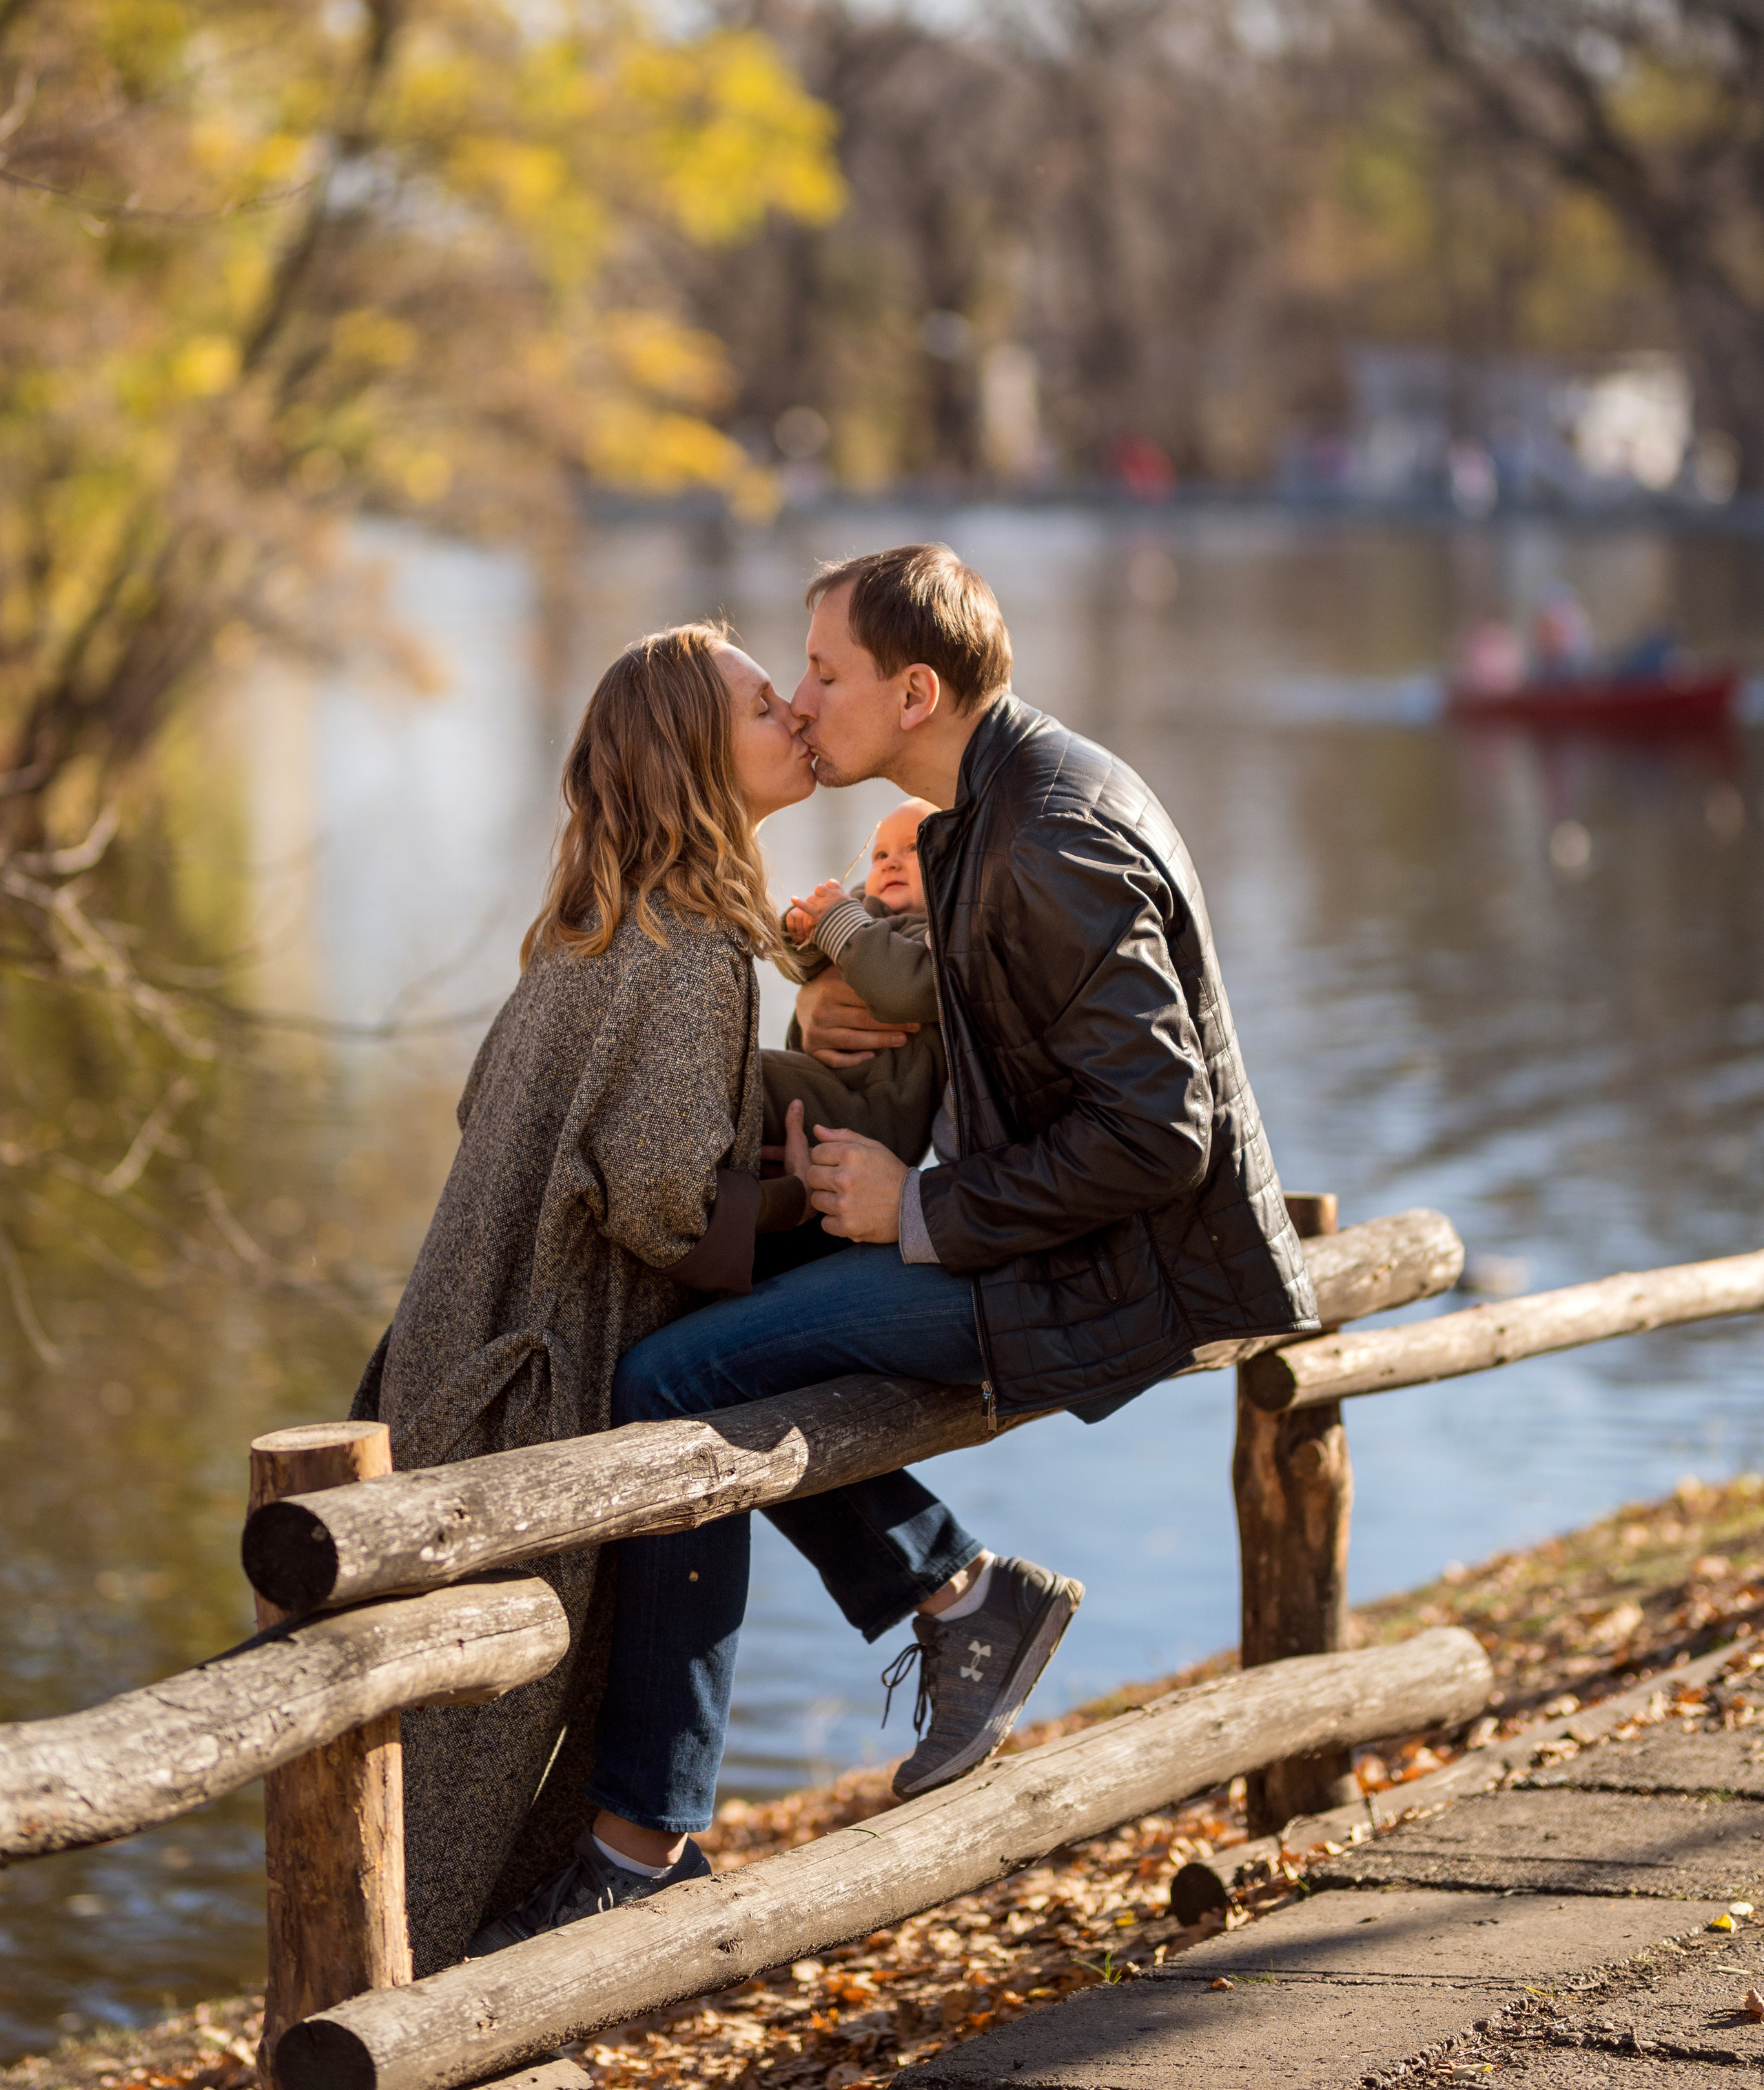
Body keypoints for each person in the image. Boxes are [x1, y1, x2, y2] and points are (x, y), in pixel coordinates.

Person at [486, 542, 1315, 1948]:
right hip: (1044, 1246)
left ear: (913, 688)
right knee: (708, 1330)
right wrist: (836, 1052)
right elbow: (1002, 1052)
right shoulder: (996, 809)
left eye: (822, 671)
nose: (803, 702)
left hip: (1096, 1278)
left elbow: (1158, 1134)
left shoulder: (1049, 834)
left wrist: (917, 1210)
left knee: (667, 1382)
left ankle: (645, 1835)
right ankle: (949, 1598)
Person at [352, 622, 821, 1975]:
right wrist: (796, 1195)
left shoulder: (581, 936)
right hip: (536, 1387)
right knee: (476, 1762)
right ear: (691, 753)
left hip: (450, 1363)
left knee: (445, 1748)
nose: (790, 708)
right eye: (756, 700)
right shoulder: (688, 954)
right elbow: (662, 1204)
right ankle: (406, 2030)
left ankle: (410, 2010)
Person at [759, 797, 946, 1173]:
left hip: (875, 1116)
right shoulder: (863, 915)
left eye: (914, 847)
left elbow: (900, 986)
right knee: (733, 1071)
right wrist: (803, 932)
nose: (891, 862)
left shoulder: (939, 940)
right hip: (832, 1086)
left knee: (742, 1075)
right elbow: (799, 970)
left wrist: (840, 922)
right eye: (880, 855)